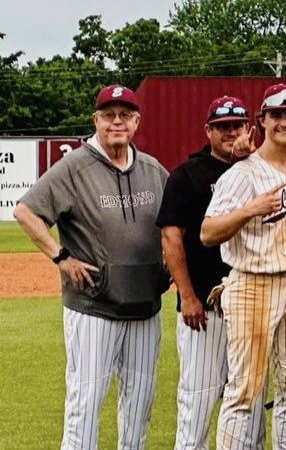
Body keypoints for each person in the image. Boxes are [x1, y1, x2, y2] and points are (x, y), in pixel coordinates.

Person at [14, 84, 171, 450]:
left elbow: (176, 224)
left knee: (140, 406)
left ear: (136, 122)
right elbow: (26, 211)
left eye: (125, 115)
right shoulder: (75, 166)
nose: (117, 122)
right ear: (96, 120)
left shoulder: (152, 170)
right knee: (85, 404)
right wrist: (61, 256)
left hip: (145, 307)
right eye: (109, 115)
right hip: (93, 307)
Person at [200, 83, 286, 449]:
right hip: (252, 282)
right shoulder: (242, 174)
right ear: (261, 121)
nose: (284, 122)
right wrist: (249, 209)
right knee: (244, 392)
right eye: (276, 115)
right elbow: (207, 233)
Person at [158, 96, 265, 450]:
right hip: (205, 307)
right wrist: (187, 297)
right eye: (223, 127)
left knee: (249, 404)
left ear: (249, 128)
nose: (231, 132)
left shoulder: (260, 169)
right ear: (209, 131)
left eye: (237, 125)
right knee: (198, 402)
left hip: (251, 305)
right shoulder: (188, 175)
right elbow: (172, 238)